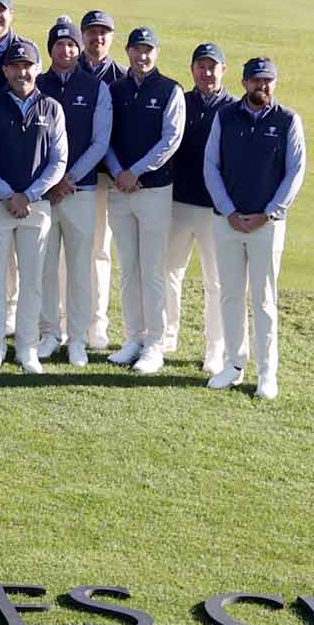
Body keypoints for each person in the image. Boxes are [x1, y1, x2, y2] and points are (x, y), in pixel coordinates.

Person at [204, 57, 305, 400]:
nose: (262, 86)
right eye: (256, 81)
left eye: (268, 81)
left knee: (263, 301)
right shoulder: (225, 116)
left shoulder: (288, 120)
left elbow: (295, 172)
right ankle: (233, 364)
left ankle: (267, 373)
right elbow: (211, 166)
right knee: (231, 295)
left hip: (267, 225)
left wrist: (269, 212)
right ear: (245, 83)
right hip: (228, 221)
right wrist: (229, 211)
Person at [0, 39, 68, 374]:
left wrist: (29, 194)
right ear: (5, 70)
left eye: (28, 66)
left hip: (35, 206)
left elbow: (58, 160)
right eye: (15, 66)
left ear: (37, 69)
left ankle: (27, 348)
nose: (22, 72)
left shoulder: (51, 107)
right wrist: (8, 194)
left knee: (32, 281)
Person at [102, 26, 185, 374]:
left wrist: (135, 171)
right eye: (137, 50)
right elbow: (103, 135)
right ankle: (133, 337)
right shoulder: (115, 89)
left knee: (153, 270)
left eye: (148, 50)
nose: (142, 56)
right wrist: (120, 171)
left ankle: (155, 344)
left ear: (157, 53)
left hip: (152, 191)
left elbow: (171, 139)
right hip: (120, 190)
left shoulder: (170, 90)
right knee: (129, 268)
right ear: (128, 51)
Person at [35, 16, 112, 367]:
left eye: (71, 44)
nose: (65, 49)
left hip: (81, 191)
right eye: (58, 44)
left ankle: (78, 338)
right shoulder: (37, 84)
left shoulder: (96, 87)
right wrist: (51, 182)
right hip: (45, 195)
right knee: (47, 266)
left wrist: (71, 178)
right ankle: (50, 332)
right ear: (50, 48)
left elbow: (100, 142)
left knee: (80, 267)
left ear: (78, 49)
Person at [165, 42, 232, 374]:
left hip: (215, 209)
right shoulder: (182, 102)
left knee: (216, 281)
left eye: (213, 67)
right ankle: (166, 336)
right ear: (192, 70)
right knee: (168, 272)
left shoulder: (233, 108)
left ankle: (215, 347)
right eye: (201, 66)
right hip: (178, 201)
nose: (207, 73)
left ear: (224, 70)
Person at [80, 9, 125, 349]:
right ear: (82, 36)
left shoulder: (121, 78)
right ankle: (64, 322)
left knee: (98, 251)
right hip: (64, 181)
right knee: (62, 253)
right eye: (92, 32)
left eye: (104, 33)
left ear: (112, 38)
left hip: (104, 179)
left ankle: (96, 324)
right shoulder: (66, 69)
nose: (97, 38)